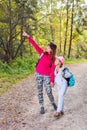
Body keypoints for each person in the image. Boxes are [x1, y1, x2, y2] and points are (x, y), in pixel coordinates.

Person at [22, 31, 57, 114]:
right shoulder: (42, 53)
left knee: (49, 91)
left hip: (47, 76)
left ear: (52, 49)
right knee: (40, 91)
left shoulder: (54, 59)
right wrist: (28, 36)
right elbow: (35, 45)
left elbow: (53, 71)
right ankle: (42, 106)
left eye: (48, 47)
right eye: (47, 47)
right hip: (38, 74)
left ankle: (52, 102)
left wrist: (52, 81)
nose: (46, 48)